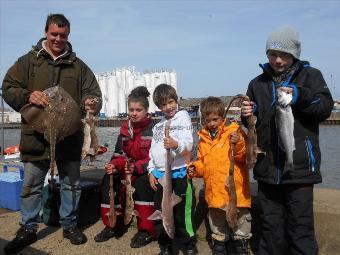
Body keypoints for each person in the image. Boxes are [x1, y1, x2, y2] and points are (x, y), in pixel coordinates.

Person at [2, 14, 102, 254]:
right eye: (54, 34)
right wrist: (28, 96)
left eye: (63, 35)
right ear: (46, 32)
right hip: (36, 136)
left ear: (68, 36)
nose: (58, 39)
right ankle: (27, 228)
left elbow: (94, 93)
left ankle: (70, 225)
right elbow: (8, 87)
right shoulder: (28, 62)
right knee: (32, 185)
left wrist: (92, 102)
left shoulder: (79, 66)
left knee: (71, 184)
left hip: (70, 136)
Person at [241, 26, 334, 255]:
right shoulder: (257, 83)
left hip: (300, 168)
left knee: (300, 227)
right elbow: (252, 124)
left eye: (283, 55)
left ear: (294, 54)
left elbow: (323, 108)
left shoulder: (312, 76)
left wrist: (300, 95)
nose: (278, 60)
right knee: (271, 226)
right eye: (272, 54)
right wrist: (247, 114)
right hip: (267, 169)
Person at [187, 97, 252, 255]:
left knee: (241, 222)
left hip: (236, 192)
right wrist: (195, 169)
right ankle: (219, 245)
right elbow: (203, 163)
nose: (212, 123)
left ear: (223, 118)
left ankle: (241, 245)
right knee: (217, 223)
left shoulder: (234, 131)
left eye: (215, 119)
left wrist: (238, 144)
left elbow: (245, 156)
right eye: (208, 120)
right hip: (215, 192)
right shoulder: (203, 139)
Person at [94, 86, 156, 248]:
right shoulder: (124, 130)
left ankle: (146, 230)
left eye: (138, 110)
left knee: (143, 184)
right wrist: (114, 166)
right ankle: (113, 224)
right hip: (128, 169)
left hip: (145, 171)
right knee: (109, 178)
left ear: (146, 110)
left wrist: (137, 167)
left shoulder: (154, 128)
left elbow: (156, 158)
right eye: (131, 109)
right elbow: (119, 154)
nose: (134, 113)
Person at [148, 84, 196, 255]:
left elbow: (189, 144)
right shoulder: (157, 126)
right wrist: (151, 170)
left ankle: (188, 244)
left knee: (183, 212)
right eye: (163, 105)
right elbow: (152, 151)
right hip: (161, 175)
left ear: (176, 100)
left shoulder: (183, 118)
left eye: (170, 102)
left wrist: (176, 144)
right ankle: (165, 245)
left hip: (180, 172)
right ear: (158, 107)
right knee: (161, 213)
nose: (168, 107)